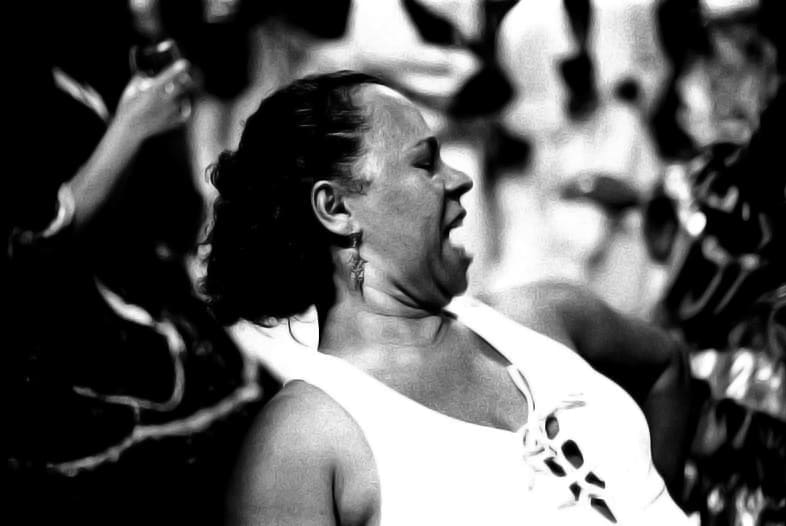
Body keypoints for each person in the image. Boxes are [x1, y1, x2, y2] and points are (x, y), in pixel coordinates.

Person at [202, 71, 693, 525]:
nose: (461, 179)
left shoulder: (544, 315)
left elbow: (667, 364)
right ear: (336, 208)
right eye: (425, 163)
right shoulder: (303, 442)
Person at [4, 4, 275, 524]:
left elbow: (173, 209)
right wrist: (130, 128)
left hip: (143, 284)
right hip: (58, 334)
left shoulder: (97, 46)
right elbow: (33, 246)